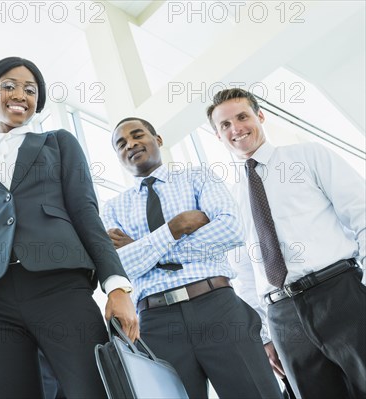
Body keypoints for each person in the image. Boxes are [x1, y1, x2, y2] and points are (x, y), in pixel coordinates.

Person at [0, 56, 139, 399]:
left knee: (95, 390)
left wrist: (117, 286)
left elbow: (86, 214)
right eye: (9, 86)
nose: (20, 95)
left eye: (30, 90)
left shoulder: (59, 143)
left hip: (59, 287)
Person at [102, 117, 283, 398]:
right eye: (121, 144)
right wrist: (175, 229)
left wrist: (142, 247)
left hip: (217, 307)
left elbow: (230, 230)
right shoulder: (112, 209)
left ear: (158, 140)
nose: (131, 144)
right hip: (156, 324)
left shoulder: (199, 177)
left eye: (138, 135)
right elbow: (121, 266)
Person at [208, 88, 366, 398]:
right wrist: (266, 336)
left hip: (339, 293)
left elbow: (361, 213)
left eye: (242, 117)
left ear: (260, 117)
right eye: (225, 125)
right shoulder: (231, 198)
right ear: (217, 135)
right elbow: (245, 273)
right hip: (283, 318)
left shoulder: (308, 156)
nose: (236, 129)